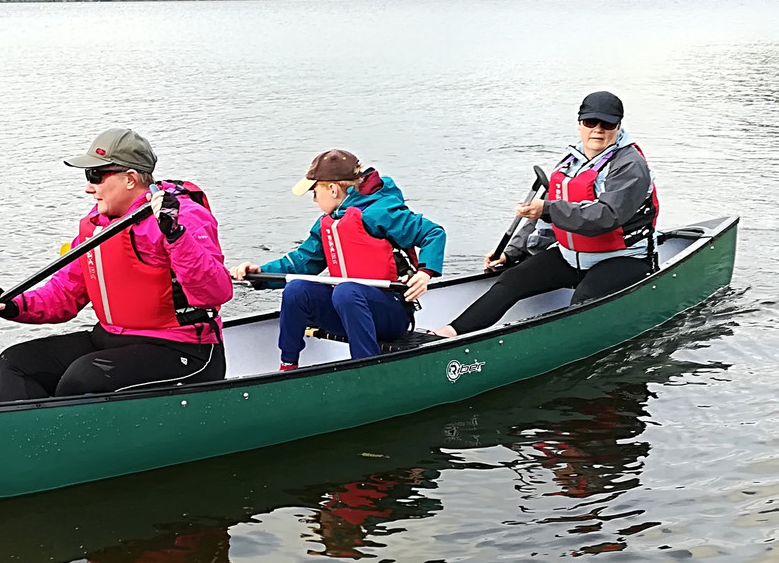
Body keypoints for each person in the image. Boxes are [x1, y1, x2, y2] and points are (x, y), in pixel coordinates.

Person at [0, 128, 232, 401]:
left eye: (95, 176)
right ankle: (29, 437)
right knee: (15, 362)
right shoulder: (98, 225)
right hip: (111, 338)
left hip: (183, 350)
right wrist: (14, 304)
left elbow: (216, 293)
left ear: (130, 178)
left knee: (84, 377)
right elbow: (65, 292)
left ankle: (59, 438)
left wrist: (176, 235)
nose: (88, 187)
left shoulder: (183, 216)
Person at [431, 91, 659, 339]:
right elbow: (543, 221)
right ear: (580, 124)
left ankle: (565, 346)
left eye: (607, 124)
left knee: (584, 301)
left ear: (618, 126)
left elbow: (606, 216)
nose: (598, 130)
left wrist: (548, 209)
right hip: (570, 257)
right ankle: (447, 334)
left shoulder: (630, 165)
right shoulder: (571, 162)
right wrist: (512, 252)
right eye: (591, 123)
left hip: (623, 258)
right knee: (512, 280)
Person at [230, 150, 445, 369]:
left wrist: (424, 273)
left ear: (332, 190)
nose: (314, 199)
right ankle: (288, 366)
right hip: (350, 309)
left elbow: (433, 234)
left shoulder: (380, 212)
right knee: (296, 290)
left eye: (315, 192)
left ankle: (366, 369)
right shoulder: (329, 222)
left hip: (391, 315)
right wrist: (258, 274)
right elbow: (301, 262)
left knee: (346, 291)